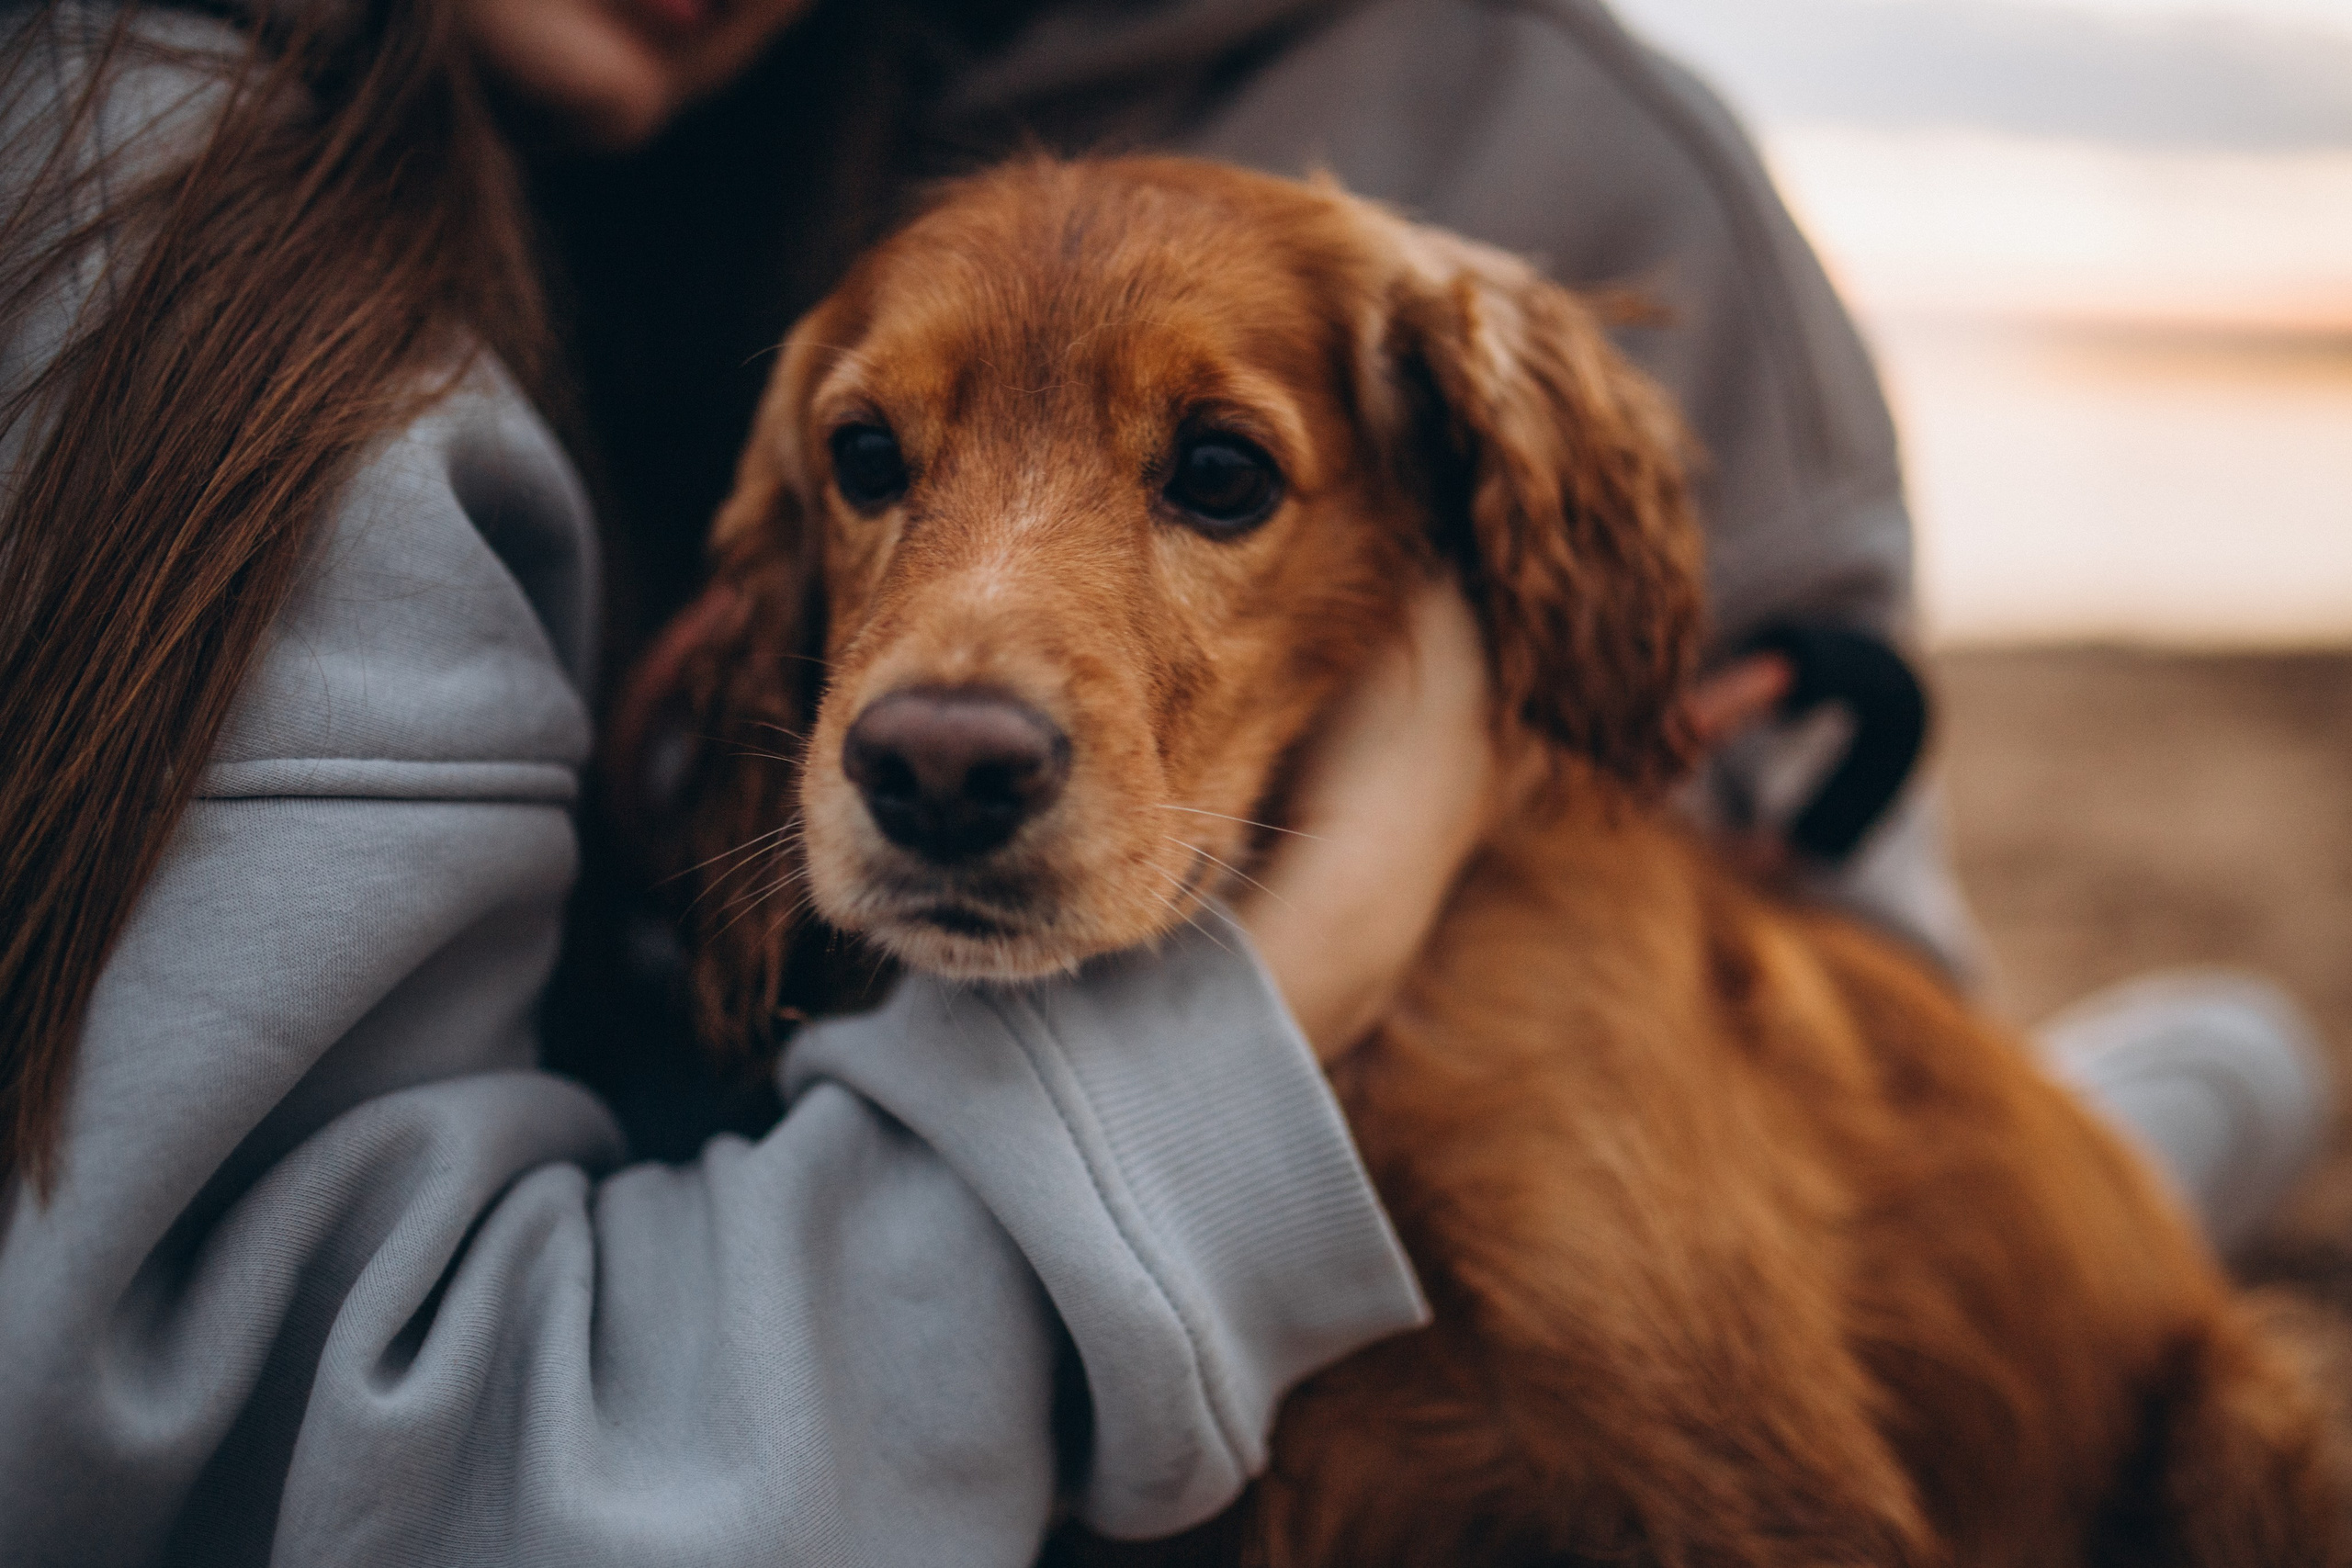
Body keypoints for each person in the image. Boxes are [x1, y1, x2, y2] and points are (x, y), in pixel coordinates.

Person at [0, 4, 2323, 1566]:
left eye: (1212, 473)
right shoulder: (377, 185)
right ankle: (2174, 1103)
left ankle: (2160, 1122)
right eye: (880, 467)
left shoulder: (1566, 145)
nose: (962, 695)